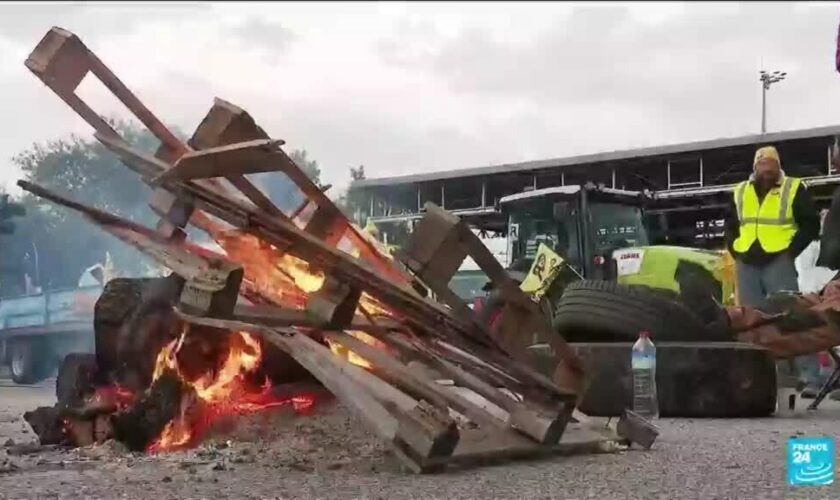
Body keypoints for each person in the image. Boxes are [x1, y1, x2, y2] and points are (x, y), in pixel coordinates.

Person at [724, 145, 821, 394]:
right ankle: (761, 379)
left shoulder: (793, 188)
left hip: (778, 260)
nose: (767, 173)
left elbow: (810, 224)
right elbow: (730, 226)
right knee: (750, 323)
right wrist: (736, 251)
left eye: (771, 168)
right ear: (755, 168)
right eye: (762, 168)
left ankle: (809, 377)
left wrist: (790, 252)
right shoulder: (740, 191)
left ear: (778, 168)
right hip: (747, 262)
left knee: (793, 317)